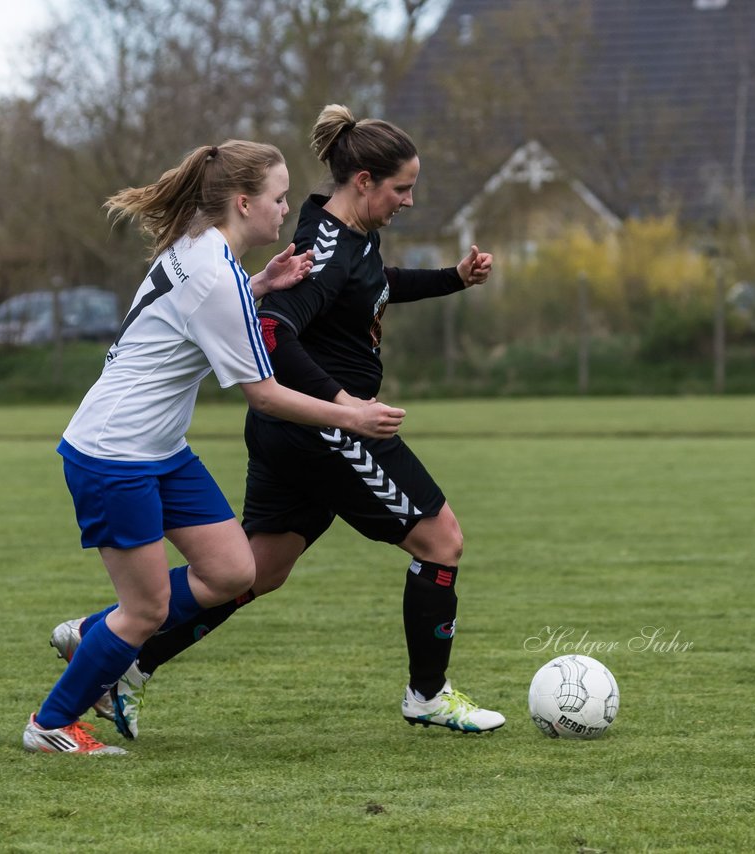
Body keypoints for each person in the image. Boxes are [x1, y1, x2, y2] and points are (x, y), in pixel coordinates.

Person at [55, 105, 504, 740]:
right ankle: (427, 695)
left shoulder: (350, 238)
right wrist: (345, 405)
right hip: (320, 429)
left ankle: (124, 660)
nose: (410, 201)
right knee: (442, 540)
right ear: (366, 180)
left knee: (255, 571)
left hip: (298, 433)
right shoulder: (323, 247)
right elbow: (274, 330)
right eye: (402, 188)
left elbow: (373, 283)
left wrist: (451, 280)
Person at [22, 139, 406, 755]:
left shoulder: (204, 252)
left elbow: (202, 310)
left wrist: (261, 284)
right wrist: (349, 414)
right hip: (113, 452)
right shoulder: (213, 273)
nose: (287, 211)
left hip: (158, 448)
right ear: (245, 201)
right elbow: (266, 396)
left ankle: (94, 635)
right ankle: (51, 723)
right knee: (145, 611)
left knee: (233, 571)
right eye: (279, 199)